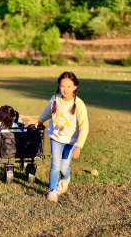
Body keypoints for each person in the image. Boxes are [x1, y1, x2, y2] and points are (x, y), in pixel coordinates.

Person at [37, 72, 89, 202]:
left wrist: (79, 147)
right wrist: (39, 122)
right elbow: (47, 112)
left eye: (69, 86)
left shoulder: (79, 104)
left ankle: (65, 179)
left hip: (71, 141)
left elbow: (84, 127)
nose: (65, 90)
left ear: (75, 87)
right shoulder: (55, 99)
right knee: (56, 166)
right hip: (56, 138)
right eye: (63, 86)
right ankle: (52, 190)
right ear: (59, 86)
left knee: (64, 168)